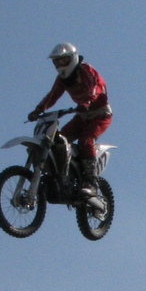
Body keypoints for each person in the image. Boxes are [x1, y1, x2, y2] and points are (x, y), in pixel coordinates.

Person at [27, 42, 112, 197]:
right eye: (57, 62)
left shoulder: (85, 70)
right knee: (59, 140)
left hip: (100, 114)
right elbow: (52, 96)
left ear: (72, 58)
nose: (60, 65)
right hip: (82, 115)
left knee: (86, 140)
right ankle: (65, 176)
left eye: (64, 61)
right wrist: (38, 110)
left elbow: (96, 86)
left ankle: (91, 181)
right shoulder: (62, 79)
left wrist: (88, 101)